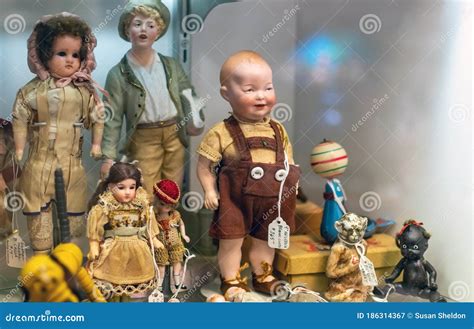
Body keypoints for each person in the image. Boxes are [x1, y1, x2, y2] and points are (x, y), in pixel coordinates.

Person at [197, 51, 300, 295]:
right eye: (250, 89)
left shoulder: (278, 130)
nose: (261, 96)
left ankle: (263, 275)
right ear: (226, 94)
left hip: (272, 199)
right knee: (231, 240)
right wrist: (209, 190)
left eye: (267, 88)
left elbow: (288, 162)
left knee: (266, 238)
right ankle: (231, 280)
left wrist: (291, 185)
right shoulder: (221, 132)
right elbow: (204, 165)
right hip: (234, 199)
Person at [12, 13, 103, 254]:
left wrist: (96, 143)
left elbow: (97, 116)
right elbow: (19, 117)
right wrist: (20, 147)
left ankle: (68, 261)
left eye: (75, 55)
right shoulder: (32, 91)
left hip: (72, 165)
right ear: (43, 55)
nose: (70, 61)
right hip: (39, 164)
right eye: (61, 54)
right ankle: (42, 263)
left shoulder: (84, 91)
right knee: (38, 216)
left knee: (72, 220)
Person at [100, 0, 204, 195]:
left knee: (172, 190)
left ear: (159, 31)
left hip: (175, 133)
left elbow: (187, 94)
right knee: (145, 189)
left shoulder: (170, 65)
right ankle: (149, 224)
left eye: (150, 25)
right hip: (144, 139)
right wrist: (108, 157)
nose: (143, 30)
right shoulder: (118, 74)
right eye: (137, 24)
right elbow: (111, 118)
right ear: (127, 29)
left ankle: (168, 223)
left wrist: (195, 118)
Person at [87, 162, 164, 302]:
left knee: (129, 282)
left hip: (136, 247)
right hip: (114, 247)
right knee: (113, 280)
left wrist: (154, 239)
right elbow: (95, 225)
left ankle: (125, 303)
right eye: (121, 187)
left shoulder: (140, 204)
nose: (127, 192)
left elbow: (149, 221)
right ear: (110, 186)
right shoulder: (106, 205)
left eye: (132, 187)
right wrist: (93, 245)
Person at [152, 179, 190, 291]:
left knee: (177, 262)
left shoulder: (175, 215)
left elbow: (181, 224)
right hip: (161, 245)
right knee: (161, 265)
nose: (166, 208)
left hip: (175, 244)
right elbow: (151, 229)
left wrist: (184, 235)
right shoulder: (154, 216)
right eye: (162, 204)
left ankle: (177, 283)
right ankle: (158, 285)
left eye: (169, 205)